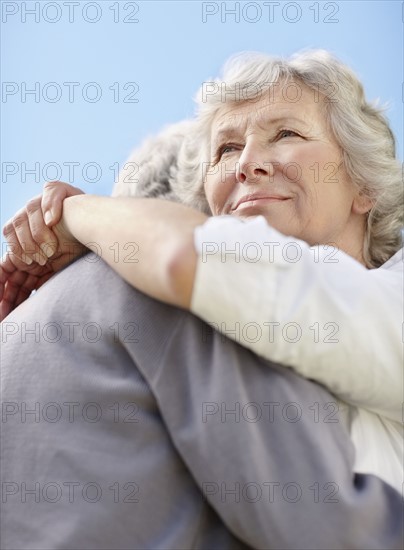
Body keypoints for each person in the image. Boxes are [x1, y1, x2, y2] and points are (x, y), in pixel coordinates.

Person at [1, 50, 403, 548]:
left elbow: (190, 256)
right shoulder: (200, 317)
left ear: (364, 185)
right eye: (227, 149)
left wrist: (80, 215)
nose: (248, 165)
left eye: (287, 134)